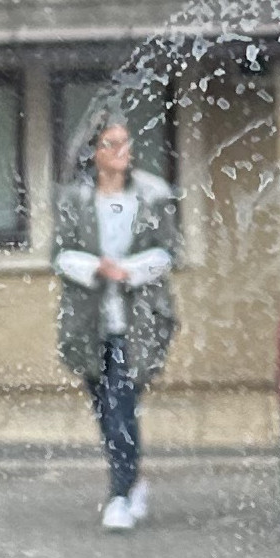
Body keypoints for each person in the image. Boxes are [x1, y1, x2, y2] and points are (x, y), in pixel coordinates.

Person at [53, 111, 178, 531]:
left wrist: (129, 270)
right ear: (94, 152)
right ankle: (133, 478)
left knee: (120, 403)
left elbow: (166, 253)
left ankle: (119, 494)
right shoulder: (74, 199)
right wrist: (96, 267)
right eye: (112, 144)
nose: (123, 151)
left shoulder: (153, 194)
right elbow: (59, 253)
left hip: (138, 319)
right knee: (106, 407)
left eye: (125, 142)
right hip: (90, 321)